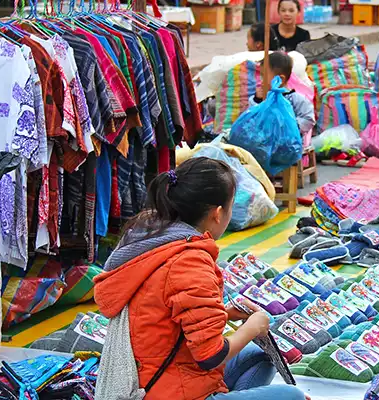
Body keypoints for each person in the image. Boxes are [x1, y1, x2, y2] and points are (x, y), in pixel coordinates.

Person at [93, 158, 308, 400]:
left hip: (159, 378)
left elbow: (164, 322)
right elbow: (210, 356)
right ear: (218, 214)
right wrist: (253, 326)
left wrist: (224, 314)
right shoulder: (188, 261)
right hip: (165, 393)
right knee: (292, 396)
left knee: (259, 356)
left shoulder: (155, 241)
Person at [251, 52, 315, 139]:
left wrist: (290, 126)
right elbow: (252, 115)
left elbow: (309, 119)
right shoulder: (264, 97)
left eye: (264, 76)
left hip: (289, 143)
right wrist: (257, 100)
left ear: (280, 79)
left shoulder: (296, 99)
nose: (261, 80)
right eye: (261, 76)